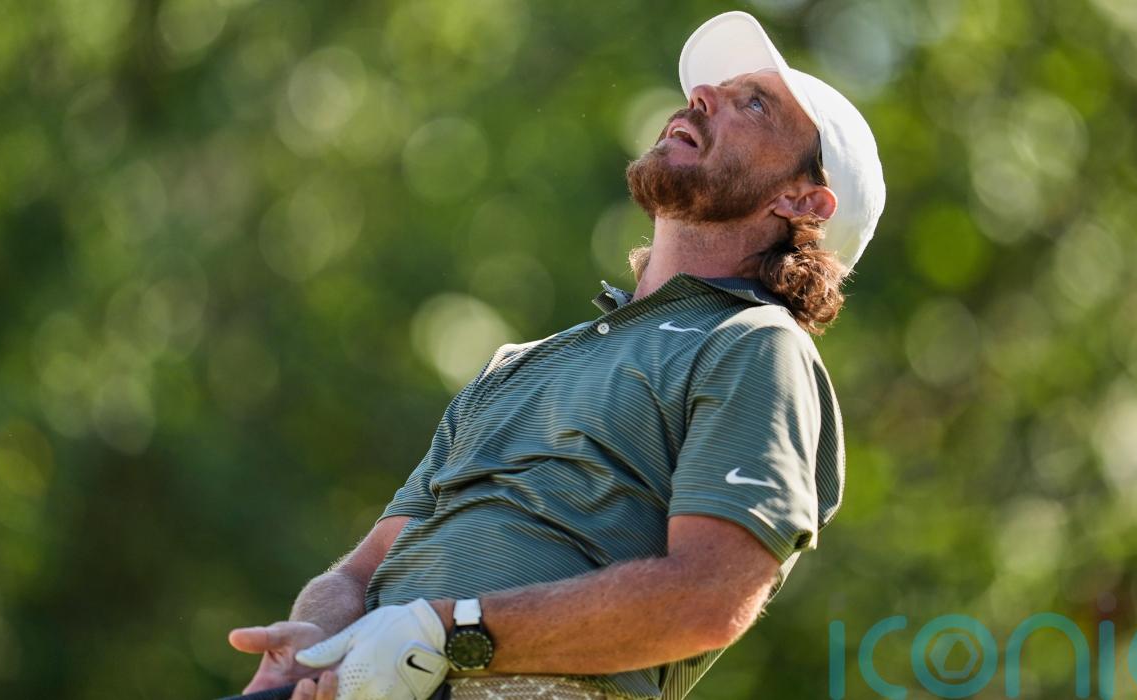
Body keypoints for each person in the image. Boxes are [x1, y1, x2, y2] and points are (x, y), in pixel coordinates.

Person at [228, 11, 884, 700]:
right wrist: (314, 645)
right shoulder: (518, 362)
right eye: (710, 89)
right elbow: (359, 573)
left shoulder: (755, 344)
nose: (701, 96)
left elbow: (708, 598)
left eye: (753, 104)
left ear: (801, 200)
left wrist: (447, 633)